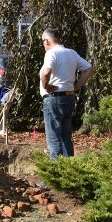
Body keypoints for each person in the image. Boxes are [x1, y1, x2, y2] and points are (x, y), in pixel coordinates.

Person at [39, 27, 95, 159]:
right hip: (69, 99)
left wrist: (46, 86)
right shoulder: (71, 53)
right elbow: (89, 69)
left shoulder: (51, 53)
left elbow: (46, 72)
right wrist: (76, 87)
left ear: (47, 41)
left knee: (54, 139)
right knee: (66, 137)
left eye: (42, 42)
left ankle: (56, 176)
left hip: (54, 98)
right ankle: (68, 174)